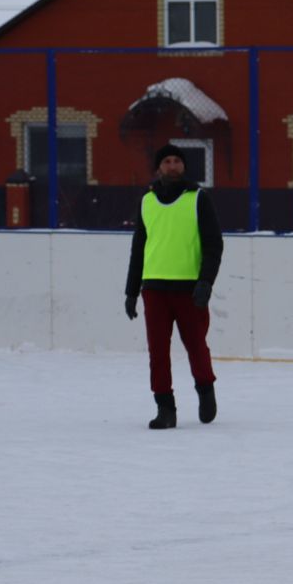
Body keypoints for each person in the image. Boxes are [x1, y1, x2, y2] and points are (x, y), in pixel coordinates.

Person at [125, 144, 224, 429]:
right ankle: (165, 407)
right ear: (159, 168)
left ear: (184, 167)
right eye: (166, 161)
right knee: (157, 351)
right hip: (154, 288)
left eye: (177, 161)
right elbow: (138, 249)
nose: (172, 166)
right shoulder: (147, 201)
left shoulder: (198, 199)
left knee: (195, 345)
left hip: (189, 288)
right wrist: (131, 291)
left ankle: (205, 388)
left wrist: (206, 281)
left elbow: (213, 245)